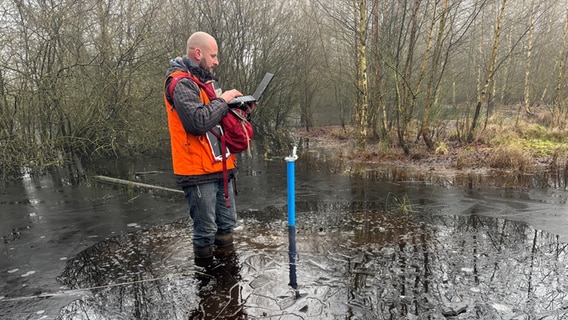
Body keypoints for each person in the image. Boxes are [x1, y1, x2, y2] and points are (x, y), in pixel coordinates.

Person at [163, 31, 253, 267]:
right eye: (213, 56)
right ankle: (206, 283)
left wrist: (238, 109)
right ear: (198, 53)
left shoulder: (208, 82)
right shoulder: (181, 83)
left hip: (220, 165)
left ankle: (228, 278)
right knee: (205, 230)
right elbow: (197, 123)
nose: (216, 61)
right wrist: (223, 101)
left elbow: (216, 116)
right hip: (196, 171)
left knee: (226, 224)